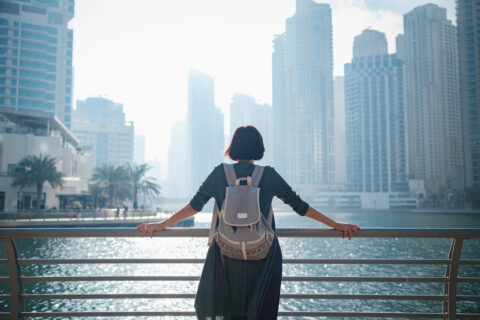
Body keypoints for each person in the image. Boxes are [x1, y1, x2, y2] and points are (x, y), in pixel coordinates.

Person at [137, 125, 361, 320]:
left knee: (227, 309)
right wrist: (337, 225)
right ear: (259, 147)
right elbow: (300, 207)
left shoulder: (219, 173)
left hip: (226, 256)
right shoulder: (269, 175)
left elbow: (193, 207)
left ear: (233, 147)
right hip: (263, 257)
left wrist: (159, 225)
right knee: (259, 310)